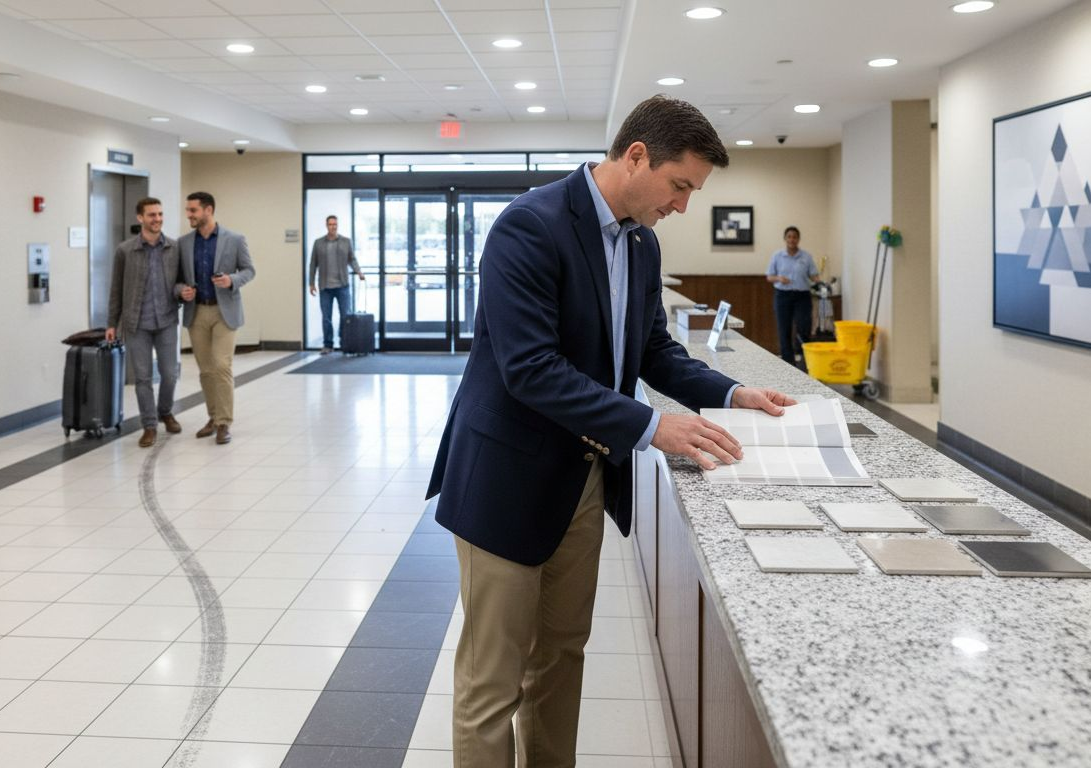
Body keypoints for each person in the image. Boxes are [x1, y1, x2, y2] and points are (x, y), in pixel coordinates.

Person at [425, 95, 794, 768]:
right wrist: (653, 426)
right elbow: (531, 370)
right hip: (507, 479)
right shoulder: (529, 226)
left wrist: (735, 392)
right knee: (491, 683)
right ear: (635, 156)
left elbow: (654, 352)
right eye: (680, 185)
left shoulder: (642, 244)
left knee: (561, 659)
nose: (683, 205)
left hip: (583, 479)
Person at [176, 191, 255, 445]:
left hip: (225, 311)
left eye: (193, 211)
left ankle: (224, 423)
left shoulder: (234, 239)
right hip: (196, 311)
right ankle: (212, 417)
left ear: (208, 210)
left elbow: (249, 270)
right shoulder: (184, 243)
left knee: (221, 366)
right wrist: (181, 291)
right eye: (188, 210)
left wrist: (232, 280)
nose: (188, 215)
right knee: (206, 371)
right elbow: (177, 279)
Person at [106, 197, 182, 448]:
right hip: (136, 323)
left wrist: (183, 291)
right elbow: (116, 289)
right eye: (152, 215)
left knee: (170, 374)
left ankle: (165, 411)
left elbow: (180, 281)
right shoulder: (125, 250)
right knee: (142, 378)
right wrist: (111, 323)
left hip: (167, 320)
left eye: (160, 214)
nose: (157, 219)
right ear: (140, 218)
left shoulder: (173, 247)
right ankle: (149, 425)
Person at [307, 214, 365, 354]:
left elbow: (352, 259)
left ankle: (344, 341)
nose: (333, 227)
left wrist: (359, 272)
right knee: (326, 317)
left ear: (337, 225)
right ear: (326, 225)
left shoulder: (346, 241)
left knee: (345, 316)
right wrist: (311, 283)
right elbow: (313, 264)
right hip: (325, 287)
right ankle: (328, 344)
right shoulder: (318, 243)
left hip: (342, 286)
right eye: (330, 224)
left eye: (335, 224)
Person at [766, 225, 819, 368]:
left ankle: (804, 361)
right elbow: (769, 277)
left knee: (803, 327)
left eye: (794, 237)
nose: (792, 239)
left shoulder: (806, 256)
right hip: (782, 295)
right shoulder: (777, 256)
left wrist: (819, 282)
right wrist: (779, 278)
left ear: (798, 239)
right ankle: (788, 362)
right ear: (785, 239)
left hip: (802, 296)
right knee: (784, 329)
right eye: (789, 237)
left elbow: (814, 275)